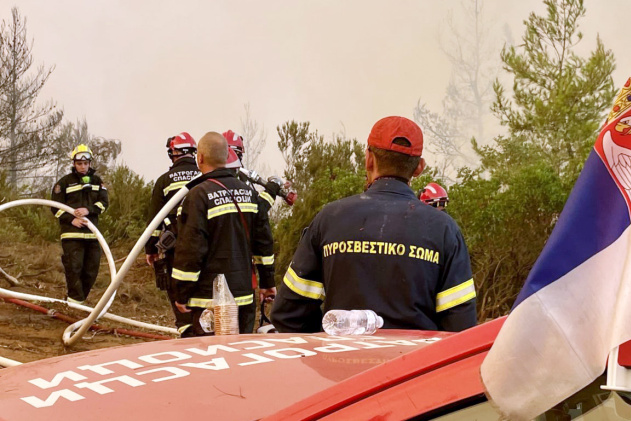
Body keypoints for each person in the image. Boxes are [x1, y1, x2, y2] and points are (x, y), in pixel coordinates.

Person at [271, 116, 477, 333]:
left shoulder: (330, 219)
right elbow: (460, 329)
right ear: (419, 168)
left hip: (344, 365)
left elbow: (288, 315)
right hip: (418, 366)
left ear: (368, 159)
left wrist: (327, 343)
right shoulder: (445, 229)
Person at [171, 132, 275, 336]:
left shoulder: (198, 195)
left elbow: (190, 251)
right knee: (239, 358)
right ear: (227, 157)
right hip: (244, 297)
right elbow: (263, 242)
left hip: (208, 301)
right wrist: (268, 282)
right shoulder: (249, 192)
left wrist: (181, 294)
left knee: (212, 361)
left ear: (199, 158)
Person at [145, 132, 200, 336]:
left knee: (178, 290)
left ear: (173, 153)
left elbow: (155, 221)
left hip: (175, 248)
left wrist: (151, 249)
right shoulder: (205, 175)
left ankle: (186, 331)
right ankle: (206, 328)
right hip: (204, 247)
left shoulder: (164, 181)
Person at [50, 144, 109, 304]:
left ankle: (78, 300)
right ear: (74, 164)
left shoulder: (97, 182)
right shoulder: (64, 183)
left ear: (90, 163)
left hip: (92, 234)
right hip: (71, 234)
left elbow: (104, 203)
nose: (83, 167)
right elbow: (55, 207)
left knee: (91, 270)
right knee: (74, 268)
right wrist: (72, 219)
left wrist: (88, 210)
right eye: (79, 163)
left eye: (85, 163)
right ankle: (75, 302)